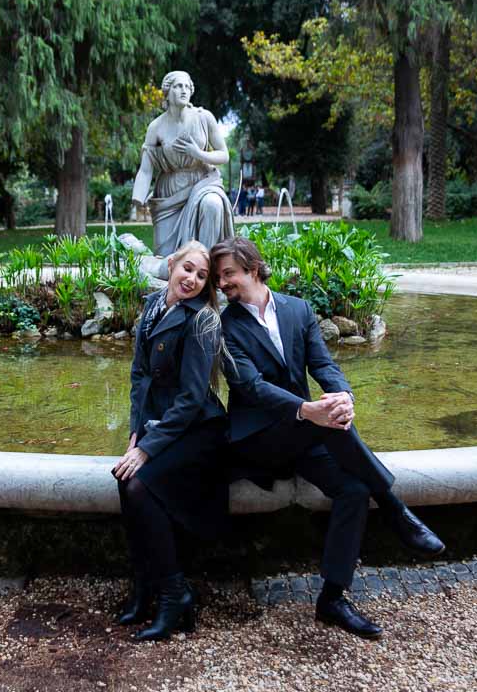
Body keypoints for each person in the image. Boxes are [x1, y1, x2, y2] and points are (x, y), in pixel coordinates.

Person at [210, 236, 445, 640]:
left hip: (305, 433)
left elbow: (323, 363)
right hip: (258, 439)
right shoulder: (225, 325)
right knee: (328, 423)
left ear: (251, 266)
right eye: (218, 278)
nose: (222, 284)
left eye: (228, 273)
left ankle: (332, 599)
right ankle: (394, 507)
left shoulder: (297, 310)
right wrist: (308, 409)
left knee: (352, 490)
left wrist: (342, 397)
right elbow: (249, 386)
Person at [112, 240, 228, 641]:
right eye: (188, 269)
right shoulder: (152, 306)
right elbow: (139, 376)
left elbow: (192, 399)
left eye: (202, 276)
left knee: (141, 486)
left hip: (200, 429)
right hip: (162, 424)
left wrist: (147, 448)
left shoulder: (202, 320)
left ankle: (175, 593)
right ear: (172, 264)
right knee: (124, 478)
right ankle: (145, 589)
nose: (193, 280)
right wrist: (134, 434)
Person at [131, 71, 235, 261]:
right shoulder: (156, 126)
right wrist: (138, 197)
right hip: (170, 190)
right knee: (165, 257)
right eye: (178, 86)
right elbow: (146, 169)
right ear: (167, 91)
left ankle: (207, 271)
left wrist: (199, 154)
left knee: (212, 204)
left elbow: (224, 155)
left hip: (203, 182)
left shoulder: (204, 118)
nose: (184, 90)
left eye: (187, 86)